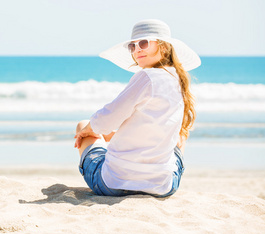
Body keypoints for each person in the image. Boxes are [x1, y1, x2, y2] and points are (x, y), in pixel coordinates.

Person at [75, 19, 201, 197]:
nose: (137, 50)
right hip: (163, 186)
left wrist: (87, 130)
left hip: (113, 183)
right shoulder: (178, 81)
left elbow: (105, 121)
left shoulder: (147, 77)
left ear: (163, 47)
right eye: (132, 46)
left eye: (143, 43)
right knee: (181, 133)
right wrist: (101, 131)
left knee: (84, 125)